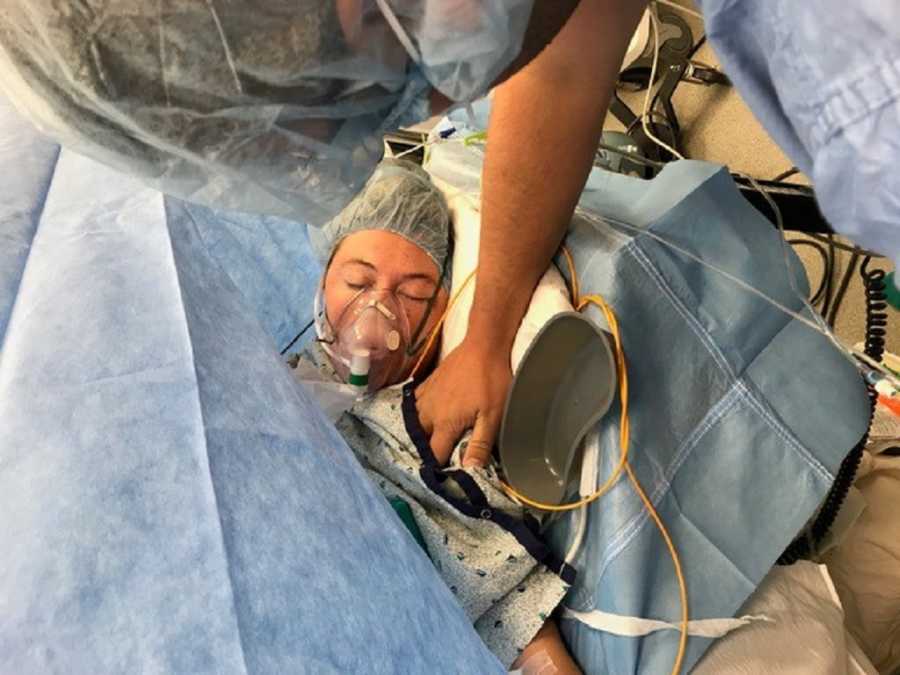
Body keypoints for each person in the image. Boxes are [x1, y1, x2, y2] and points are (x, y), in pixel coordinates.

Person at [2, 0, 897, 513]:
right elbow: (557, 56)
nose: (436, 106)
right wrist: (487, 334)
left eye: (401, 66)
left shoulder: (865, 101)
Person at [293, 158, 581, 673]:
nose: (375, 313)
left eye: (412, 295)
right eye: (357, 283)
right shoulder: (269, 381)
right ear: (321, 285)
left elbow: (514, 618)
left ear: (443, 308)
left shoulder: (443, 426)